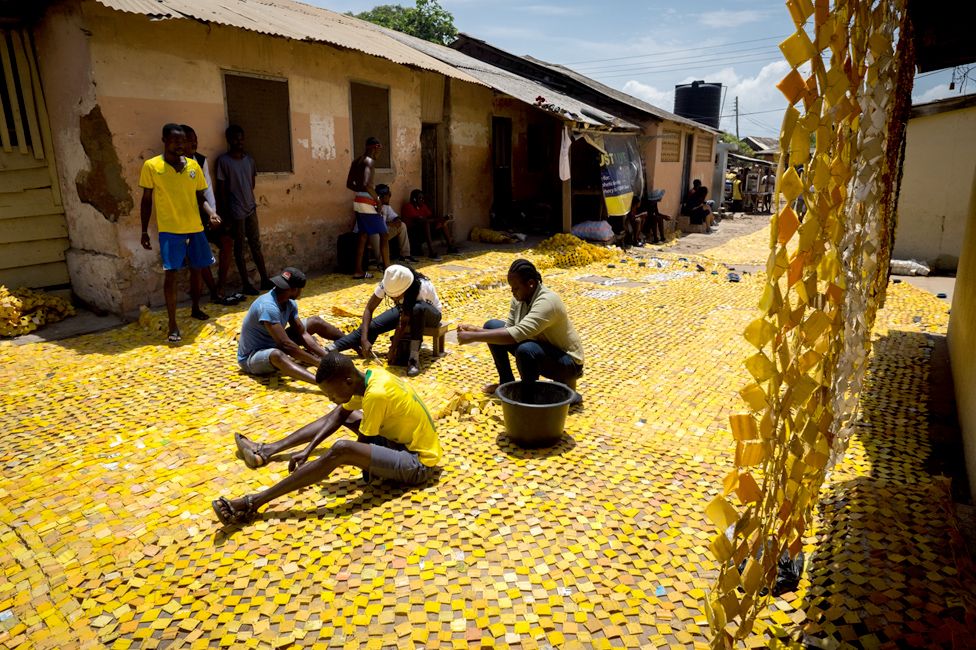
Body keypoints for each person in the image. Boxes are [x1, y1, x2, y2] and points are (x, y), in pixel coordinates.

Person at [212, 351, 441, 526]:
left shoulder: (376, 395)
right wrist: (309, 450)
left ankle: (254, 502)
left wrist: (318, 467)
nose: (332, 399)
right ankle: (267, 450)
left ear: (348, 381)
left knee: (341, 449)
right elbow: (339, 414)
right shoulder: (373, 376)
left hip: (418, 464)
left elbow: (355, 447)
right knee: (343, 414)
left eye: (332, 393)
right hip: (400, 444)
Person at [457, 259, 584, 405]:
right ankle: (507, 383)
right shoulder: (520, 297)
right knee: (491, 326)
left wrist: (473, 337)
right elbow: (508, 329)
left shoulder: (547, 302)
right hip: (542, 350)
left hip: (568, 364)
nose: (512, 292)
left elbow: (515, 334)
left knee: (526, 350)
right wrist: (477, 330)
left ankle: (529, 397)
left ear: (530, 284)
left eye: (516, 288)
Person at [139, 123, 222, 343]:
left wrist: (211, 213)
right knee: (172, 274)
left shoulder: (194, 165)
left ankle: (195, 307)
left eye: (183, 141)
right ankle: (173, 323)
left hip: (195, 228)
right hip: (170, 231)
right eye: (175, 141)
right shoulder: (152, 166)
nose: (180, 145)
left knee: (198, 269)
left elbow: (200, 197)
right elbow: (146, 200)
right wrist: (144, 231)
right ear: (164, 140)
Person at [237, 267, 344, 384]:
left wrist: (327, 359)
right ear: (295, 289)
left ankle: (351, 341)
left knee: (314, 322)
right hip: (252, 357)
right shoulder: (268, 306)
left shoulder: (289, 303)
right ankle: (321, 383)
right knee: (278, 355)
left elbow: (302, 333)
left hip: (274, 343)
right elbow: (286, 345)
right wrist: (318, 362)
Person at [333, 265, 441, 377]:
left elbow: (403, 322)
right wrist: (364, 339)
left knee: (417, 309)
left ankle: (413, 360)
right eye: (391, 296)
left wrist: (393, 348)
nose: (393, 299)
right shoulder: (388, 282)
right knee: (373, 326)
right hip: (405, 310)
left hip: (430, 316)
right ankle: (332, 348)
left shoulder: (421, 288)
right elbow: (369, 309)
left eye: (396, 296)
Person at [180, 125, 239, 306]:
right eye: (190, 140)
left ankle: (221, 286)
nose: (194, 143)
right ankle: (213, 291)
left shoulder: (200, 160)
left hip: (206, 212)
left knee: (227, 242)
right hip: (188, 218)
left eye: (195, 139)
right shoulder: (174, 163)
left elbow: (207, 189)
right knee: (198, 253)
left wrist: (213, 214)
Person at [215, 125, 271, 296]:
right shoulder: (223, 162)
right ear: (229, 140)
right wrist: (226, 214)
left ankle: (264, 278)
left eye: (241, 138)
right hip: (235, 210)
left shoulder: (249, 160)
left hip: (250, 208)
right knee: (239, 248)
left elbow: (251, 184)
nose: (239, 142)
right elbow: (222, 189)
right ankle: (246, 283)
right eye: (235, 139)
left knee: (255, 244)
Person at [346, 136, 389, 279]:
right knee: (384, 234)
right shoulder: (369, 162)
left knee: (363, 235)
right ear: (375, 147)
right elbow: (366, 184)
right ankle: (388, 270)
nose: (379, 153)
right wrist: (377, 200)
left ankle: (358, 270)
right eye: (379, 149)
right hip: (367, 201)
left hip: (358, 200)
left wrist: (361, 190)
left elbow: (349, 184)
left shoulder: (356, 161)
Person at [401, 189, 458, 261]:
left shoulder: (423, 206)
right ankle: (432, 252)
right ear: (414, 199)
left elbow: (431, 217)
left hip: (422, 230)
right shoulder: (408, 207)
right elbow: (419, 221)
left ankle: (450, 247)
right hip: (412, 234)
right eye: (420, 198)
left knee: (442, 223)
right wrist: (438, 219)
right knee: (426, 223)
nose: (422, 200)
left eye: (423, 198)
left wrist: (441, 220)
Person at [377, 184, 417, 263]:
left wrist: (397, 221)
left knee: (402, 225)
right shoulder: (373, 206)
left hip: (382, 233)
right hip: (371, 235)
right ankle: (381, 261)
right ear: (382, 196)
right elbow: (374, 225)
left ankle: (405, 255)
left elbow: (395, 217)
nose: (390, 197)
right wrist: (388, 224)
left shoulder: (386, 207)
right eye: (388, 195)